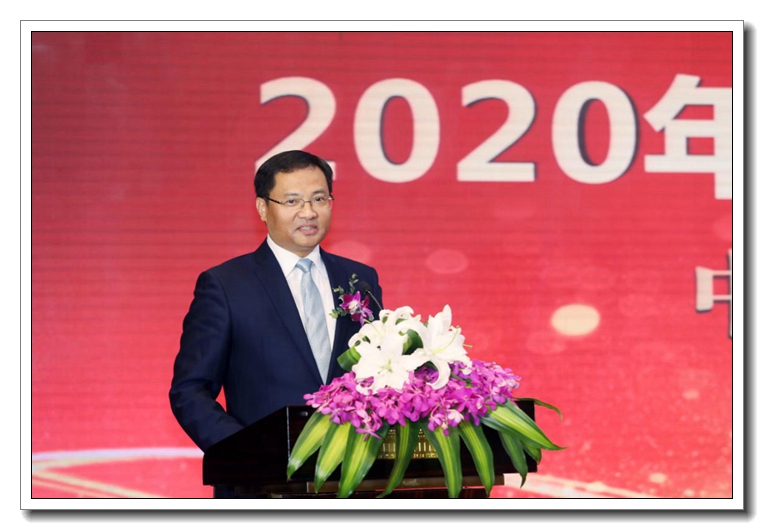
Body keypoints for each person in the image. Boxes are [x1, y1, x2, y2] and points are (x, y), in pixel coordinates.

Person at [169, 150, 383, 455]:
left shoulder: (361, 279)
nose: (308, 212)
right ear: (262, 207)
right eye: (292, 201)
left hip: (351, 469)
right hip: (263, 473)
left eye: (319, 199)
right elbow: (190, 390)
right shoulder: (226, 285)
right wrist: (244, 451)